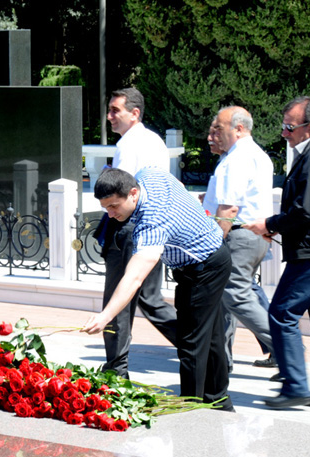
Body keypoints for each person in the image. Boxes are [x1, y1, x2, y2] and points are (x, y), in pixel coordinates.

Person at [84, 167, 234, 411]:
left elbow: (134, 277)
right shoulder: (149, 175)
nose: (110, 215)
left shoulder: (152, 223)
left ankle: (191, 411)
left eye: (114, 206)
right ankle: (219, 402)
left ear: (133, 193)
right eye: (106, 208)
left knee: (191, 344)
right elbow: (179, 184)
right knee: (211, 337)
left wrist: (106, 316)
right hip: (215, 256)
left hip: (202, 268)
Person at [244, 96, 310, 409]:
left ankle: (296, 386)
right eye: (284, 125)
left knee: (281, 313)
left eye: (290, 126)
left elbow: (306, 210)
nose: (284, 133)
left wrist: (270, 223)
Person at [93, 88, 176, 379]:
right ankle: (201, 346)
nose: (110, 116)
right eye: (110, 110)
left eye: (116, 110)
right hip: (152, 224)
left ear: (135, 113)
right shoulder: (155, 140)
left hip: (127, 226)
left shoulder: (128, 144)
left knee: (119, 296)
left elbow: (116, 190)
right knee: (151, 299)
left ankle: (116, 368)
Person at [202, 107, 276, 373]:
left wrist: (213, 246)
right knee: (225, 298)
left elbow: (229, 209)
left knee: (236, 295)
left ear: (239, 129)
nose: (213, 135)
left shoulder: (236, 159)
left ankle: (284, 346)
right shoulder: (255, 155)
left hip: (238, 236)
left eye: (218, 129)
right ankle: (221, 360)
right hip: (250, 236)